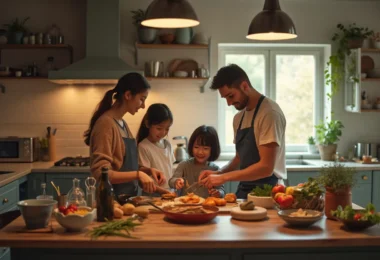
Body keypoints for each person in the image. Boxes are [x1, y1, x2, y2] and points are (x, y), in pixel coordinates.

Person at [199, 64, 286, 199]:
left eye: (231, 96)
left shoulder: (269, 113)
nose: (228, 103)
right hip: (245, 188)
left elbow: (266, 167)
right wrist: (218, 173)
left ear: (245, 86)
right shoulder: (239, 118)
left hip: (269, 191)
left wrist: (224, 178)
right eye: (225, 98)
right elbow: (240, 158)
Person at [84, 72, 165, 197]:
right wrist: (138, 174)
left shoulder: (122, 123)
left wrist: (148, 171)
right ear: (128, 95)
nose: (143, 106)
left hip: (128, 200)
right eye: (141, 99)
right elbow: (101, 172)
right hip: (111, 203)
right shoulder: (105, 124)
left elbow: (126, 166)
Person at [169, 125, 224, 198]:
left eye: (205, 148)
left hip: (207, 207)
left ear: (212, 149)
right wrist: (176, 181)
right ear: (191, 146)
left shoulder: (215, 169)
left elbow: (221, 190)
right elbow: (171, 181)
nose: (200, 152)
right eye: (196, 147)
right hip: (185, 206)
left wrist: (218, 193)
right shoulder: (183, 165)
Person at [137, 103, 175, 196]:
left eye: (167, 129)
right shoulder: (143, 146)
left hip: (169, 192)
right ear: (147, 124)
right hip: (152, 195)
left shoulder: (167, 144)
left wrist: (176, 183)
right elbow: (143, 178)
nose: (163, 133)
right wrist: (164, 192)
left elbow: (171, 171)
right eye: (159, 128)